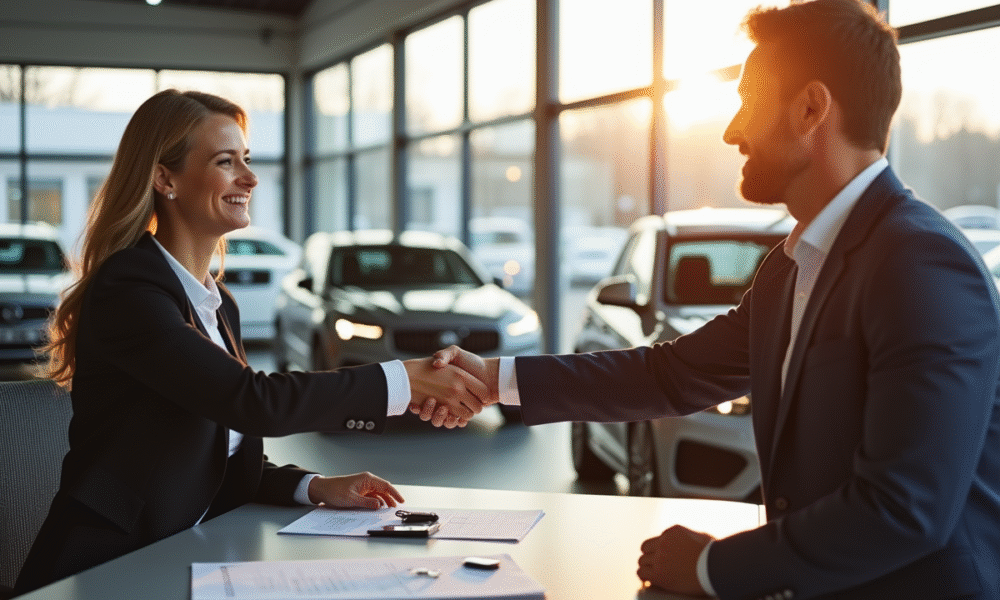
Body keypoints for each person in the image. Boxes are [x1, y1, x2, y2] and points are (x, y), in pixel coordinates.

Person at [424, 1, 1000, 598]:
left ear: (810, 109)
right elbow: (672, 374)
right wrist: (496, 380)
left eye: (749, 98)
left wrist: (710, 568)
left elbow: (903, 510)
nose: (732, 130)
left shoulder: (921, 263)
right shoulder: (793, 265)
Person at [14, 89, 485, 594]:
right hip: (107, 569)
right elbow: (251, 402)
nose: (250, 178)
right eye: (224, 161)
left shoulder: (219, 307)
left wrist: (316, 487)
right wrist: (401, 381)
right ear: (164, 178)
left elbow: (222, 457)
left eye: (247, 159)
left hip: (186, 556)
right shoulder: (129, 289)